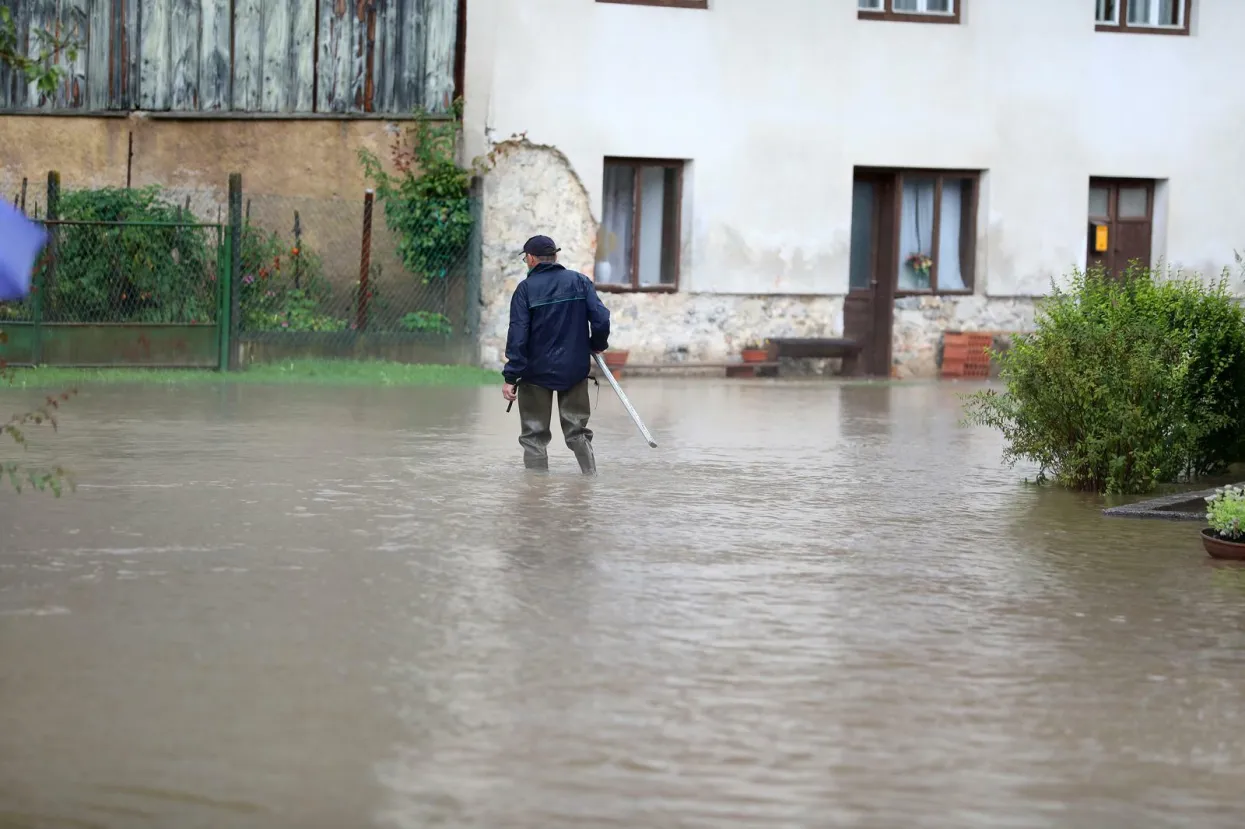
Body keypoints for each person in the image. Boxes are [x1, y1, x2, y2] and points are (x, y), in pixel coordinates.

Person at [502, 235, 611, 473]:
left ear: (530, 259)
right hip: (574, 369)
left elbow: (518, 336)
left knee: (534, 435)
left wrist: (511, 377)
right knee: (577, 432)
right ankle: (590, 479)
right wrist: (597, 343)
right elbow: (601, 319)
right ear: (555, 257)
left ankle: (536, 491)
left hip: (534, 373)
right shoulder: (580, 282)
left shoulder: (525, 290)